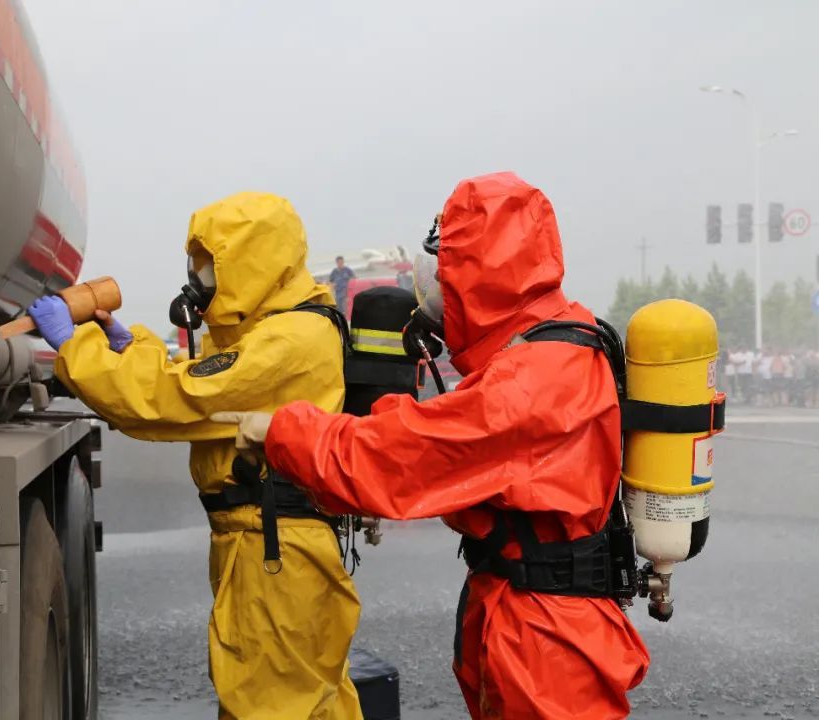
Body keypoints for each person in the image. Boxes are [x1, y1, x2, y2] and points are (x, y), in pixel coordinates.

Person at [215, 172, 650, 719]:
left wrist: (281, 431)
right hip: (527, 612)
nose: (433, 290)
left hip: (546, 634)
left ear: (479, 276)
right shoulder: (543, 346)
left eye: (445, 269)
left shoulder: (537, 375)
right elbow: (439, 434)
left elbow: (407, 459)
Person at [29, 191, 363, 719]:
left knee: (270, 704)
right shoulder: (284, 329)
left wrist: (79, 350)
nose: (200, 282)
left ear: (253, 261)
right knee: (306, 701)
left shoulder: (288, 341)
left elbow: (179, 400)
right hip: (272, 542)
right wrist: (130, 348)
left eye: (210, 267)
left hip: (271, 547)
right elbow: (201, 376)